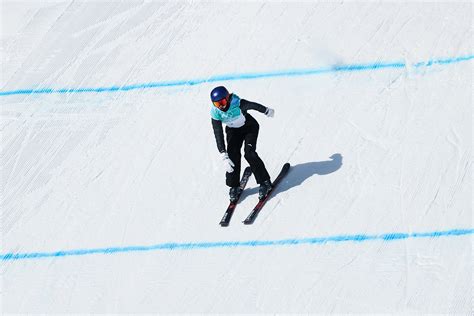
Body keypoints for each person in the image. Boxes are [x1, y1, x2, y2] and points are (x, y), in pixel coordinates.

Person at [210, 86, 275, 202]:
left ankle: (265, 181)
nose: (221, 106)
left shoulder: (238, 103)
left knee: (249, 153)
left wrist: (266, 110)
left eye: (223, 102)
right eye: (217, 104)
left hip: (249, 127)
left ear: (228, 98)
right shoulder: (215, 112)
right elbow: (217, 132)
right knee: (232, 156)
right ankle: (234, 186)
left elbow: (253, 105)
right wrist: (223, 154)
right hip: (233, 131)